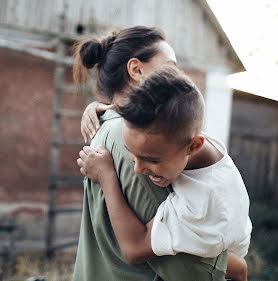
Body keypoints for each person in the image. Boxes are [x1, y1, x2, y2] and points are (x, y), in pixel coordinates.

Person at [72, 26, 230, 281]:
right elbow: (185, 269)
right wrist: (233, 266)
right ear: (136, 70)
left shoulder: (117, 130)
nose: (178, 75)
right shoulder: (134, 141)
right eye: (170, 66)